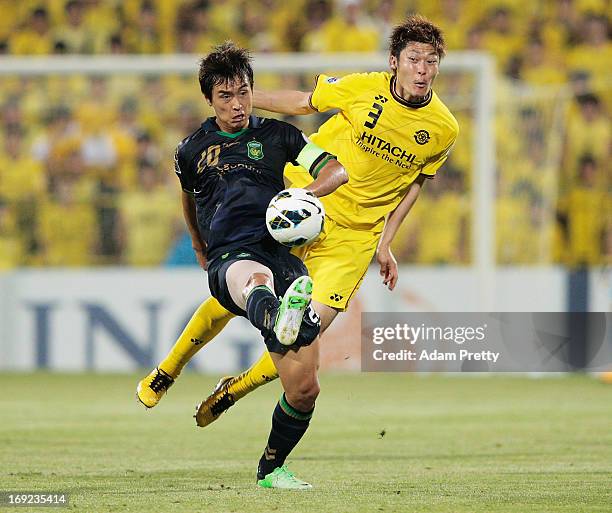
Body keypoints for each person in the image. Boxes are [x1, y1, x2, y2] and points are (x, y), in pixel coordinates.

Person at [137, 15, 458, 426]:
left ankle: (234, 389)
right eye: (414, 58)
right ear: (394, 61)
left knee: (304, 331)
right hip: (299, 203)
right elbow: (305, 102)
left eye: (431, 61)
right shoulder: (363, 87)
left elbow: (415, 184)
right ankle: (168, 369)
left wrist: (386, 242)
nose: (423, 69)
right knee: (238, 289)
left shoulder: (444, 128)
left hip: (355, 238)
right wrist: (246, 101)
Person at [144, 42, 347, 489]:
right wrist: (198, 245)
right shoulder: (192, 149)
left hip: (282, 255)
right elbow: (188, 200)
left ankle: (271, 469)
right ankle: (279, 314)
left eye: (243, 93)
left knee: (304, 389)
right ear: (210, 100)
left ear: (252, 90)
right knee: (252, 278)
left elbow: (338, 171)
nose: (236, 105)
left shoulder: (281, 136)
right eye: (225, 97)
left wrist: (305, 195)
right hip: (230, 256)